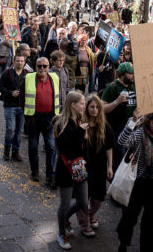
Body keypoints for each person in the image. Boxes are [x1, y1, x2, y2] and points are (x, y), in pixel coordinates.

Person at [117, 110, 153, 252]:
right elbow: (122, 141)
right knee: (129, 218)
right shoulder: (140, 134)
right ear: (148, 122)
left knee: (152, 221)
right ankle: (123, 242)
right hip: (137, 183)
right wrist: (133, 121)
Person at [54, 91, 91, 249]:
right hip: (65, 169)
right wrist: (81, 132)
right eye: (82, 103)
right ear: (73, 105)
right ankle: (61, 233)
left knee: (83, 201)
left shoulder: (79, 119)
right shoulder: (61, 123)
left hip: (80, 167)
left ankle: (66, 219)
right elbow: (66, 147)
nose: (84, 106)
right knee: (65, 203)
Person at [20, 57, 59, 185]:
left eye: (45, 66)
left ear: (49, 67)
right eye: (39, 66)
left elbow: (60, 96)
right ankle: (35, 171)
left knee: (51, 147)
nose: (42, 68)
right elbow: (22, 99)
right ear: (36, 67)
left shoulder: (55, 78)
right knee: (33, 146)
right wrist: (27, 116)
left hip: (49, 119)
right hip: (33, 119)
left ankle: (50, 175)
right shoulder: (28, 78)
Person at [77, 95, 113, 234]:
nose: (95, 109)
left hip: (99, 166)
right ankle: (84, 224)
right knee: (84, 198)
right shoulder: (81, 124)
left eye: (97, 107)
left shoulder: (105, 126)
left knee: (98, 198)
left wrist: (110, 166)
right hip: (85, 166)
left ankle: (91, 214)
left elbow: (109, 147)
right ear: (86, 108)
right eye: (92, 107)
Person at [101, 62, 136, 171]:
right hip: (117, 131)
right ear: (122, 75)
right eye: (130, 74)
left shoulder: (133, 86)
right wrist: (116, 102)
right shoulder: (112, 87)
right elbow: (101, 108)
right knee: (119, 162)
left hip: (132, 130)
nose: (133, 76)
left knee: (129, 162)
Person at [0, 54, 27, 161]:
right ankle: (6, 151)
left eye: (21, 61)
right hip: (10, 106)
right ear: (14, 62)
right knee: (10, 129)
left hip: (22, 106)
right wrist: (10, 93)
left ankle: (16, 151)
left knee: (19, 130)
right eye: (18, 61)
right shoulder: (7, 72)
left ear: (24, 62)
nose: (20, 63)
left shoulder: (26, 73)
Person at [0, 24, 12, 89]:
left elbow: (13, 45)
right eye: (4, 29)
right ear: (1, 30)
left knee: (5, 71)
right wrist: (1, 43)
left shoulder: (9, 36)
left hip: (7, 56)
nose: (5, 31)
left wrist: (8, 43)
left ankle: (2, 83)